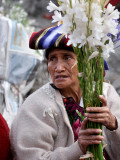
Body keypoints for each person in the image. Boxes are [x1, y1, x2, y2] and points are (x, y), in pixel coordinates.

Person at [10, 24, 120, 160]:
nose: (58, 68)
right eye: (52, 59)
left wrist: (113, 125)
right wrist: (78, 148)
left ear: (86, 62)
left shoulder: (105, 93)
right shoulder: (36, 106)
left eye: (67, 57)